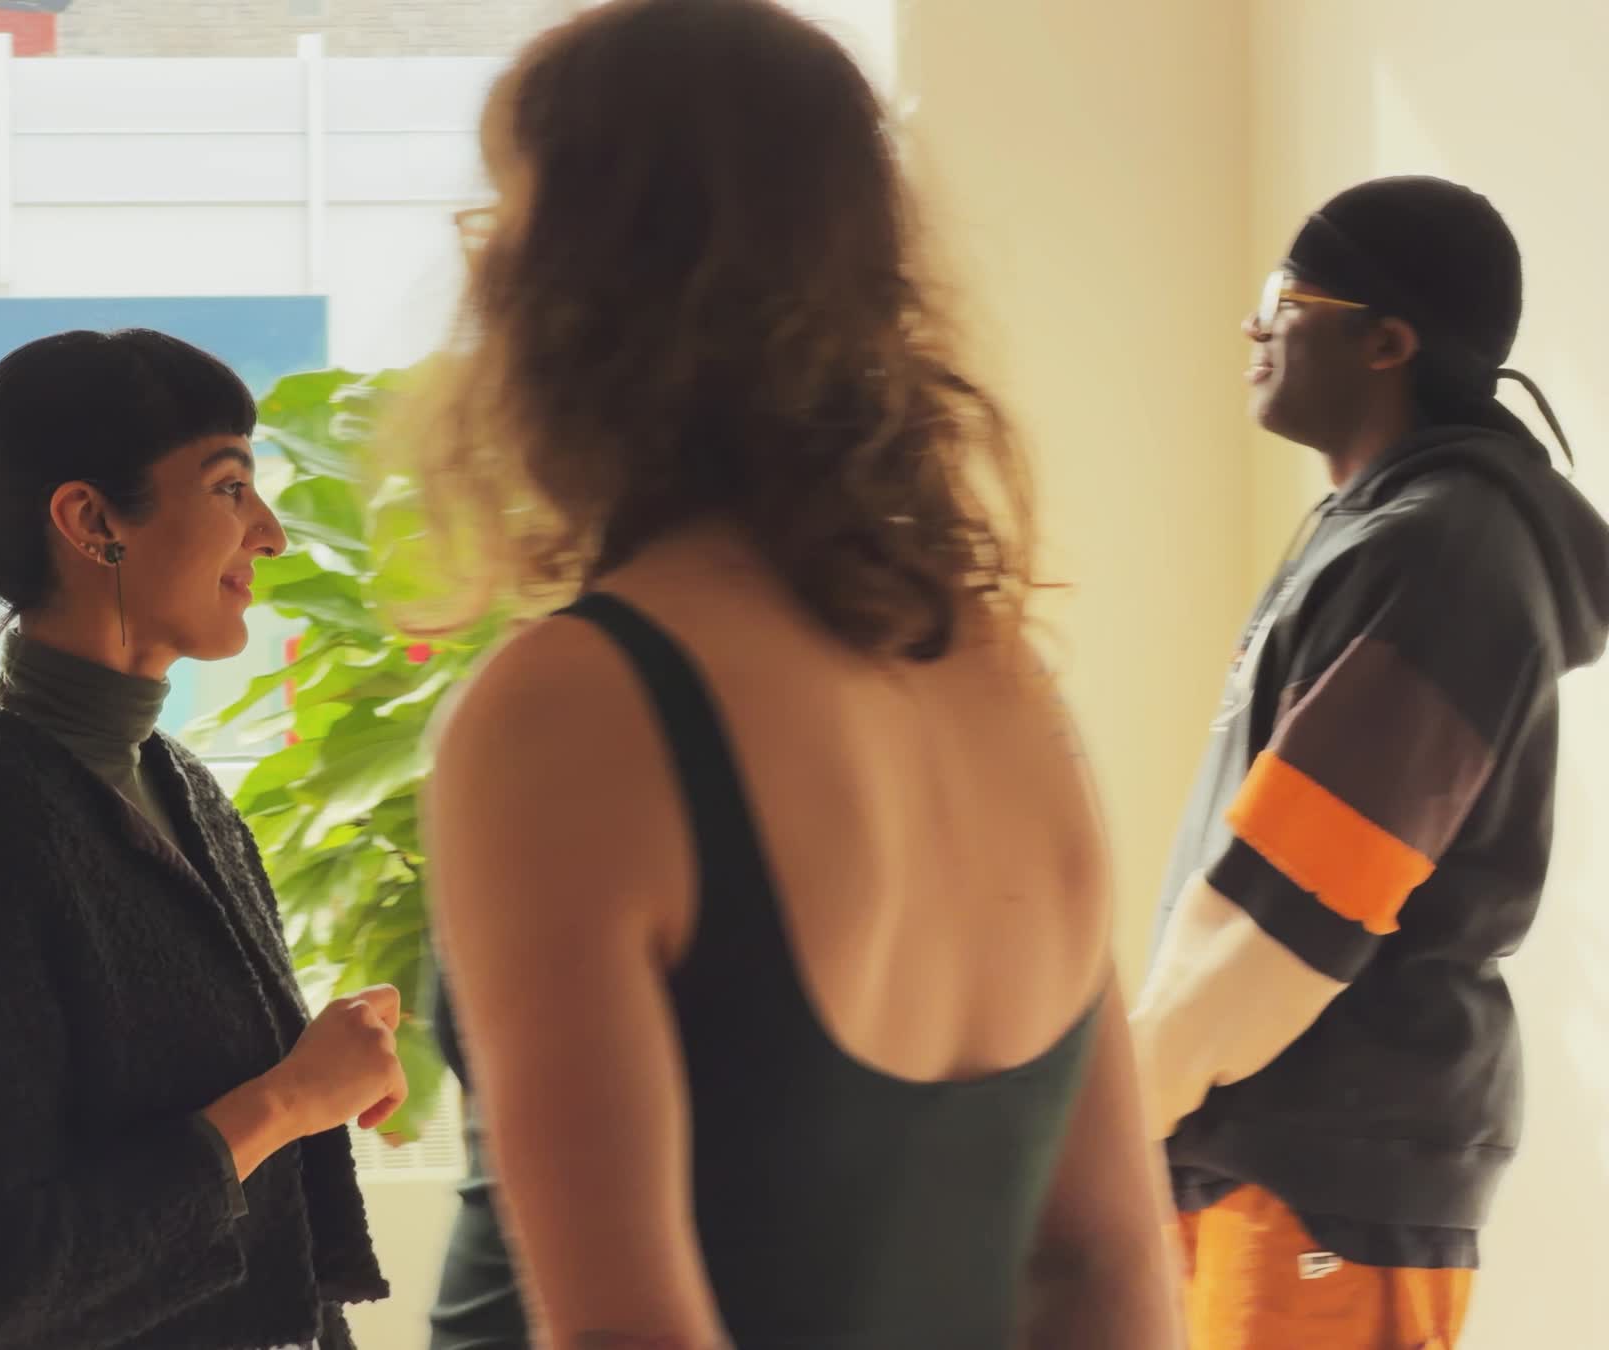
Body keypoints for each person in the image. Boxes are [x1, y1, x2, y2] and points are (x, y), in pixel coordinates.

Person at [404, 3, 1182, 1347]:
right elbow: (1109, 1273)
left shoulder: (573, 706)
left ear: (576, 282)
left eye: (503, 215)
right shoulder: (1007, 690)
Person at [0, 328, 395, 1350]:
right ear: (91, 522)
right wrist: (287, 1101)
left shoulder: (180, 787)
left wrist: (310, 1080)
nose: (270, 534)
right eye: (229, 488)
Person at [1132, 177, 1607, 1349]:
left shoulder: (1443, 554)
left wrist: (1115, 1111)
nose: (1253, 324)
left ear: (1387, 342)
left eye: (1282, 296)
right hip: (1277, 1148)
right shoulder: (1390, 533)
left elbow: (1299, 918)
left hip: (1317, 1174)